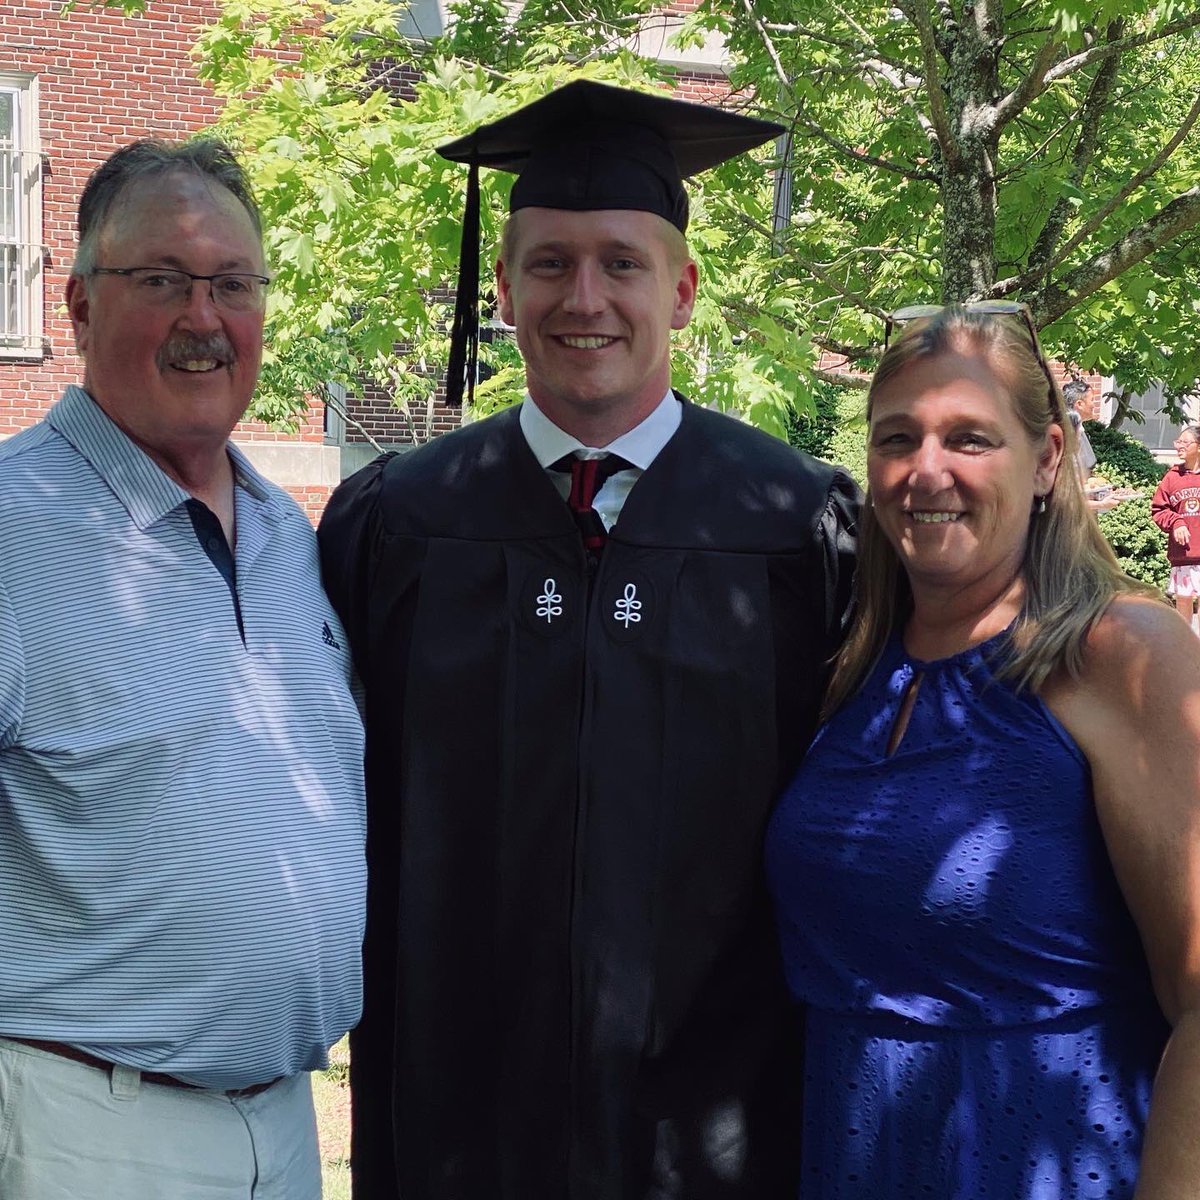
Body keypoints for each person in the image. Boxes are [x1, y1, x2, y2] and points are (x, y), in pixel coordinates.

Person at [318, 79, 859, 1200]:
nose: (585, 297)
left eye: (622, 262)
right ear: (503, 290)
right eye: (551, 263)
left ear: (685, 289)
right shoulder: (402, 519)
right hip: (458, 1108)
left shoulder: (796, 524)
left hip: (718, 1122)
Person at [765, 303, 1200, 1197]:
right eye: (897, 439)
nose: (927, 471)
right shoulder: (854, 664)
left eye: (970, 438)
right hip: (851, 1155)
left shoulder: (1120, 655)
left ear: (1046, 459)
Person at [0, 139, 366, 1200]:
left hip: (284, 1128)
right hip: (81, 1130)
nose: (203, 318)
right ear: (76, 305)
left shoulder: (286, 537)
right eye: (160, 279)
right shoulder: (14, 530)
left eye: (233, 284)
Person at [1152, 426, 1200, 628]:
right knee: (1183, 600)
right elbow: (1158, 510)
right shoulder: (1172, 477)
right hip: (1183, 553)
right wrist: (1176, 521)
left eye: (1185, 442)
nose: (1179, 446)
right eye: (1177, 442)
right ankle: (1186, 651)